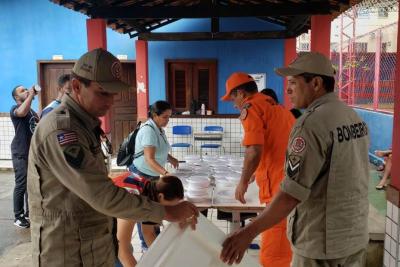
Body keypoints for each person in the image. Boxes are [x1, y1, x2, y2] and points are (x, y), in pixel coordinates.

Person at [27, 48, 198, 266]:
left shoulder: (85, 125)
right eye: (103, 92)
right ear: (78, 86)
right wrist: (165, 212)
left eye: (114, 93)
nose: (111, 101)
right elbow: (100, 194)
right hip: (67, 251)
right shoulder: (62, 131)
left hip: (92, 245)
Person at [220, 52, 370, 266]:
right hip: (353, 234)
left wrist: (247, 233)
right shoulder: (351, 116)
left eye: (293, 82)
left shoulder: (311, 123)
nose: (288, 89)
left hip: (320, 240)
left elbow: (290, 194)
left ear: (316, 83)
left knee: (274, 257)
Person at [221, 72, 295, 266]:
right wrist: (257, 171)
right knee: (285, 251)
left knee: (273, 257)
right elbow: (278, 146)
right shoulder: (276, 107)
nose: (233, 104)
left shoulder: (251, 108)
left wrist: (243, 182)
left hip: (280, 194)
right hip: (292, 184)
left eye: (232, 98)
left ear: (241, 93)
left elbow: (254, 149)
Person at [129, 100, 180, 251]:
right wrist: (165, 173)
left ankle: (155, 237)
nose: (168, 120)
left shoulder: (158, 128)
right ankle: (146, 245)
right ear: (155, 115)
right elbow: (149, 159)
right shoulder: (148, 131)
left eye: (169, 117)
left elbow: (160, 150)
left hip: (152, 174)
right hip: (143, 173)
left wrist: (171, 159)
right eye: (165, 117)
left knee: (154, 205)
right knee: (145, 209)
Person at [113, 173, 184, 266]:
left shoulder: (151, 192)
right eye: (168, 207)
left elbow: (148, 233)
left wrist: (165, 260)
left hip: (112, 212)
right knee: (118, 256)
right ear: (161, 196)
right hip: (95, 219)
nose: (168, 211)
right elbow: (122, 251)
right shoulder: (134, 201)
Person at [10, 85, 39, 228]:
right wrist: (30, 96)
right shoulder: (15, 109)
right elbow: (21, 112)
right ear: (17, 98)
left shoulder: (32, 111)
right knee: (21, 184)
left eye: (26, 89)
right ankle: (18, 216)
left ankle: (29, 213)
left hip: (31, 153)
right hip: (20, 152)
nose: (26, 90)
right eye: (22, 91)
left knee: (31, 185)